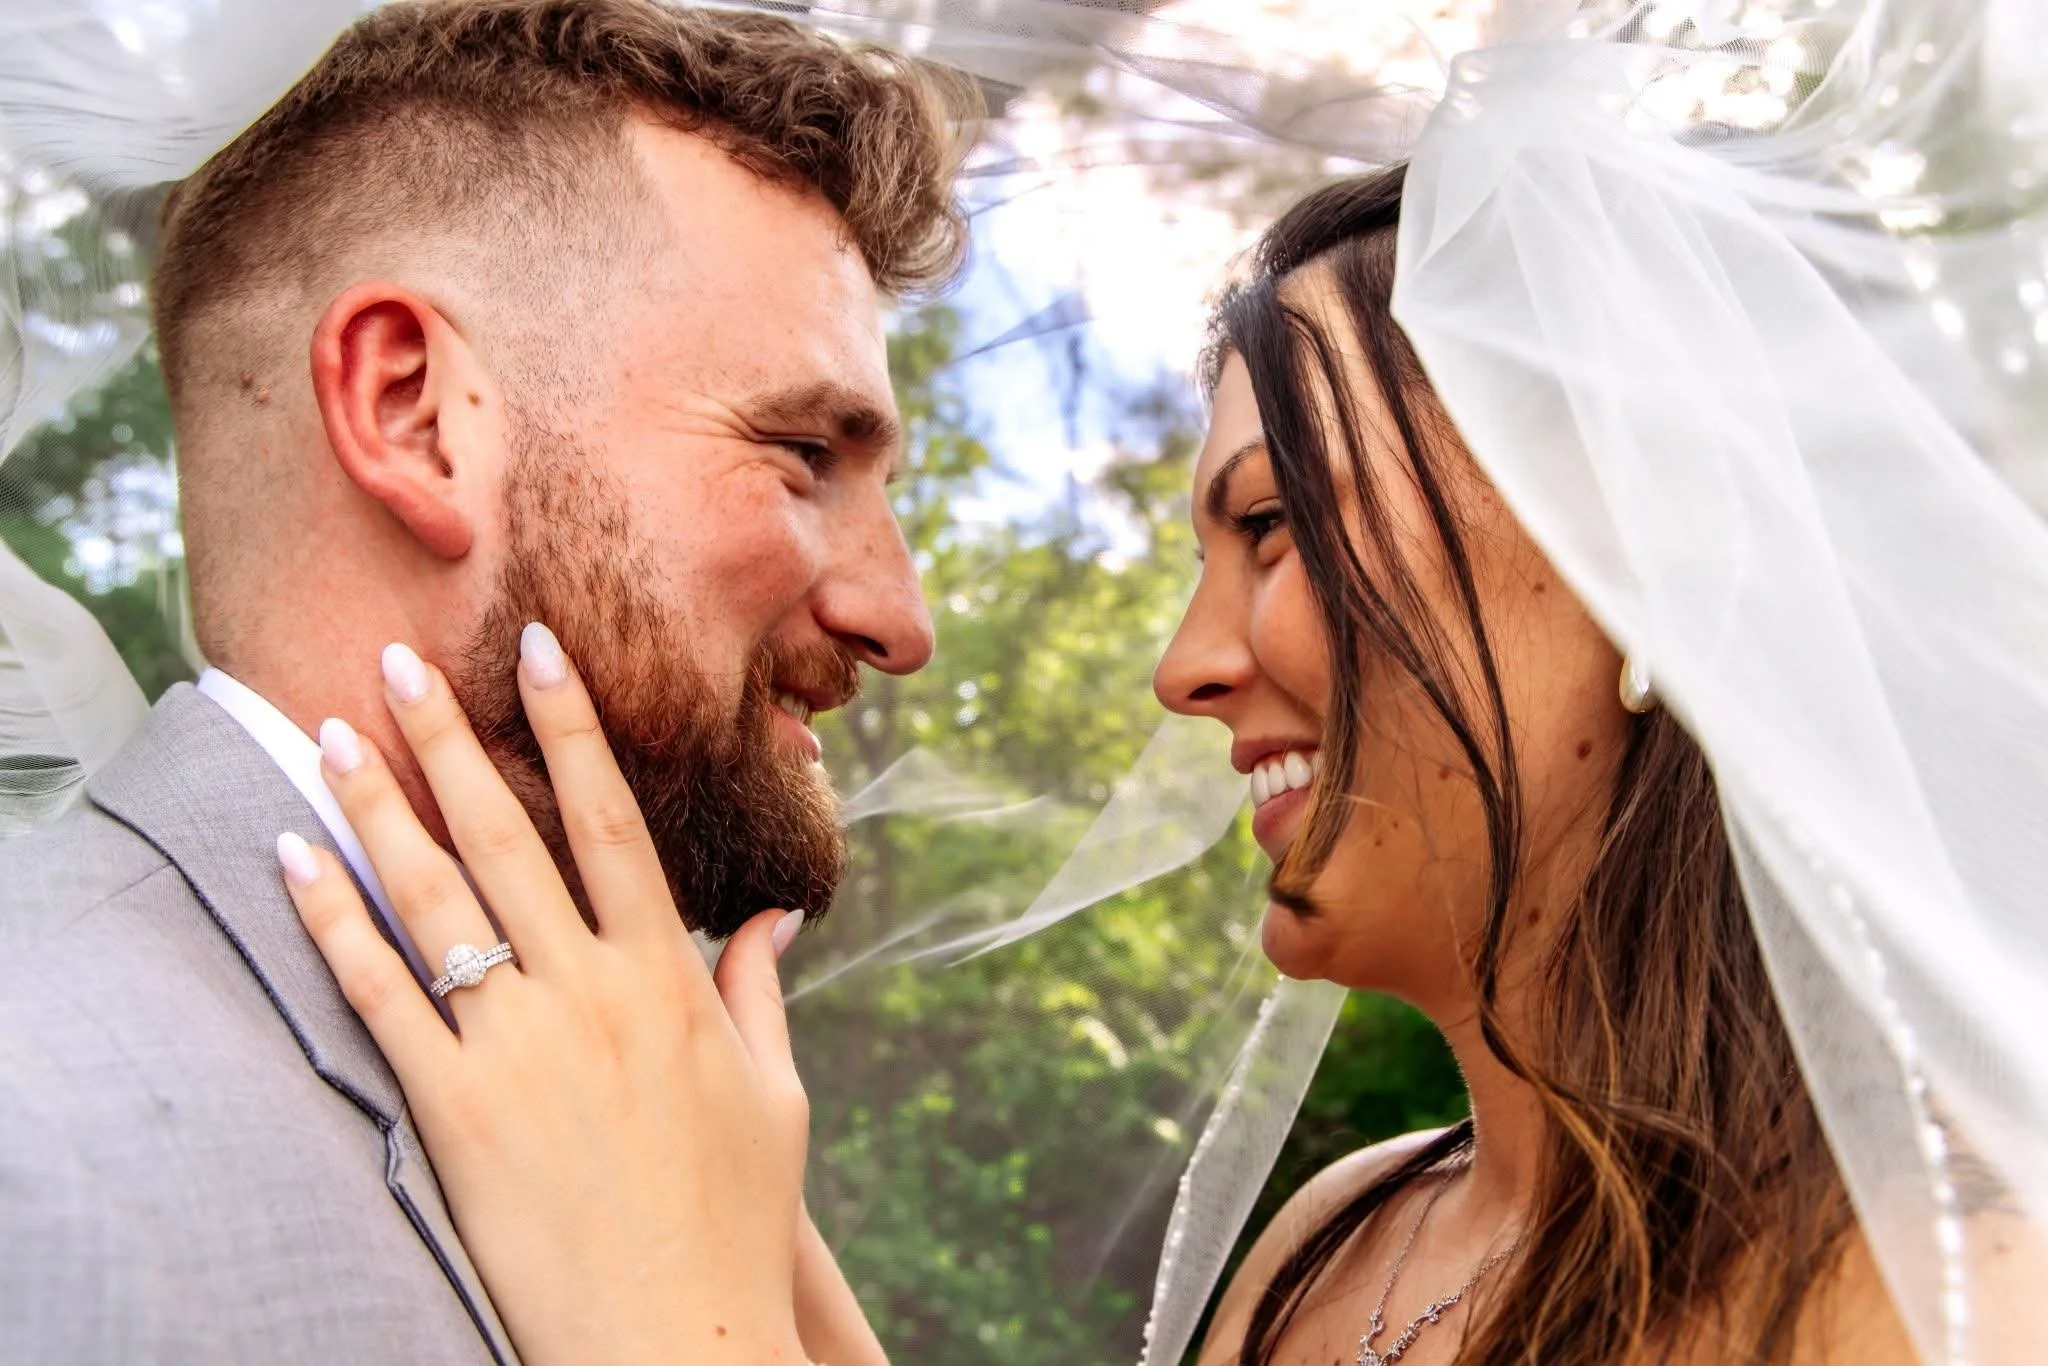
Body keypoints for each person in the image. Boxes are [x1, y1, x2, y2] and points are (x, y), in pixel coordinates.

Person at [279, 160, 2034, 1365]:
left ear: (1648, 563)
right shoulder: (1339, 1242)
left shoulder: (1963, 1285)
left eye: (1271, 528)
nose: (1184, 666)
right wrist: (742, 1233)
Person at [0, 2, 965, 1361]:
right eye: (804, 449)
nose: (900, 617)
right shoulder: (29, 1129)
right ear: (411, 410)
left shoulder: (686, 1122)